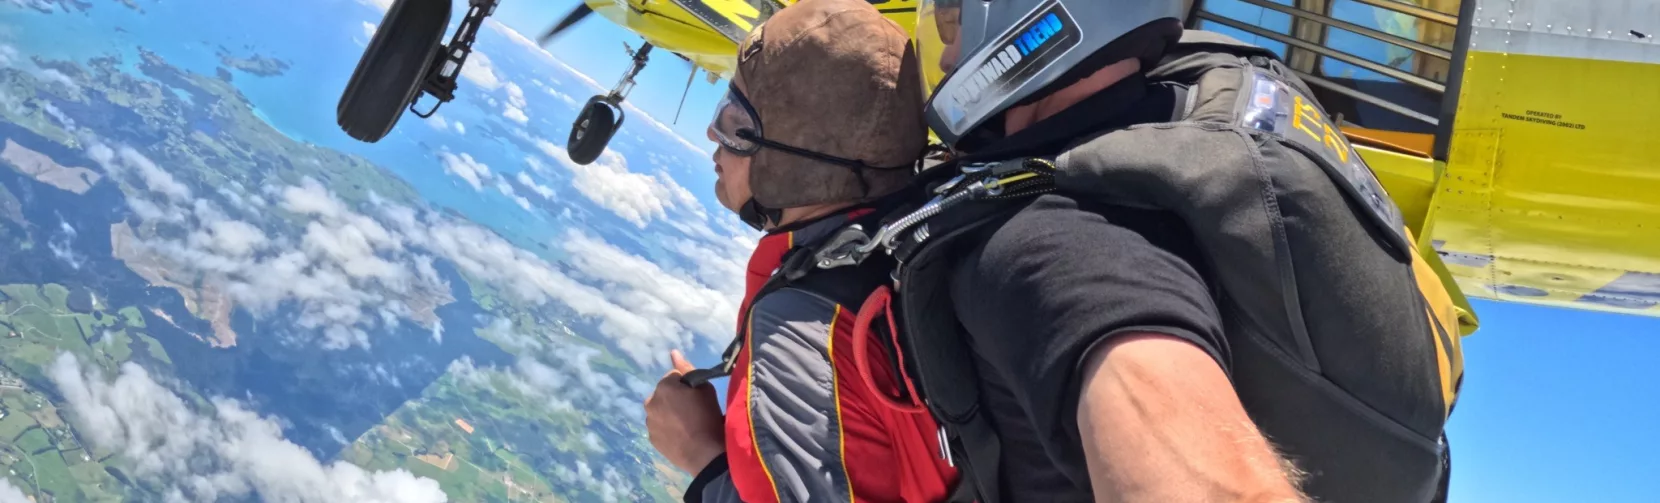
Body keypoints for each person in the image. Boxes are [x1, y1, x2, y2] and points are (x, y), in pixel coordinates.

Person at [799, 1, 1471, 502]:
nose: (944, 60)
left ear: (1033, 23)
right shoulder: (1179, 118)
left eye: (952, 24)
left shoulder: (1050, 245)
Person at [641, 1, 958, 502]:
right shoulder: (906, 250)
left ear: (791, 157)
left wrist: (702, 456)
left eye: (736, 122)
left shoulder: (802, 327)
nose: (713, 134)